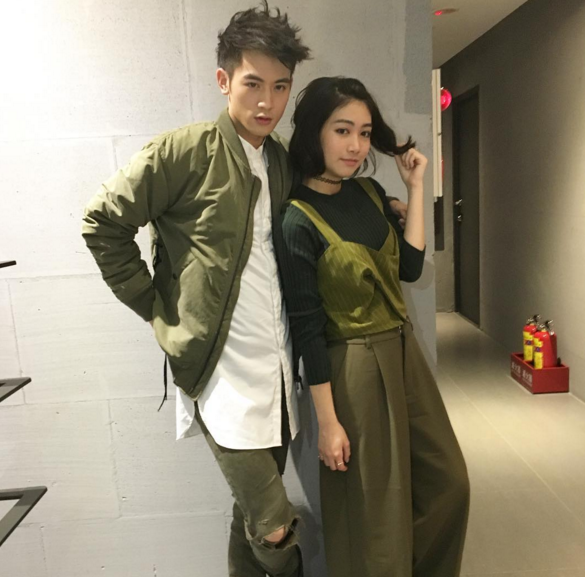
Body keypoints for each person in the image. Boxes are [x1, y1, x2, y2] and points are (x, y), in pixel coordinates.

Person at [82, 3, 311, 576]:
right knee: (275, 524)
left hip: (277, 371)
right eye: (253, 83)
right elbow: (102, 223)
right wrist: (157, 310)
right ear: (223, 80)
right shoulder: (183, 152)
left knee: (249, 514)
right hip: (220, 377)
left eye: (280, 86)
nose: (267, 102)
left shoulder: (279, 160)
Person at [278, 76, 470, 577]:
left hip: (405, 353)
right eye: (342, 130)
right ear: (314, 132)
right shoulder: (296, 220)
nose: (356, 146)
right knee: (376, 515)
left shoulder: (368, 192)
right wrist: (328, 422)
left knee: (449, 484)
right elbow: (307, 329)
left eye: (364, 133)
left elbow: (410, 266)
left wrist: (415, 188)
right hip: (353, 365)